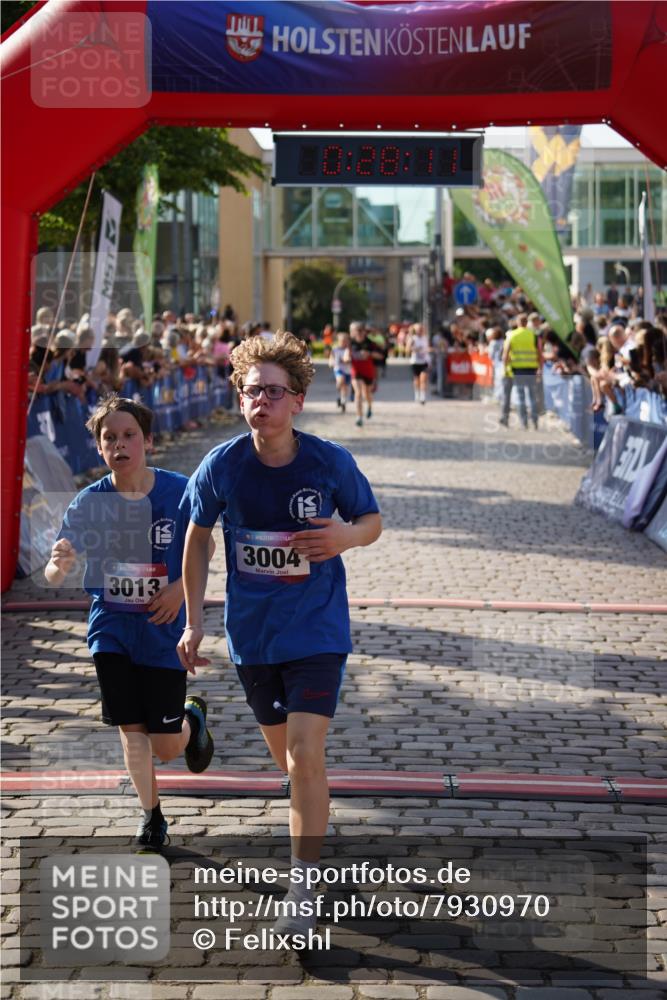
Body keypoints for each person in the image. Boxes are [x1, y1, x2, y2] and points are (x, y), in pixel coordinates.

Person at [178, 331, 382, 935]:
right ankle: (311, 817)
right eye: (251, 391)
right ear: (240, 398)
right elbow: (196, 540)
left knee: (304, 754)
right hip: (253, 637)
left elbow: (370, 520)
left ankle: (303, 887)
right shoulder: (221, 465)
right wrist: (193, 620)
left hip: (318, 630)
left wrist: (345, 536)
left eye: (272, 391)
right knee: (292, 764)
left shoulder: (328, 461)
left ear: (297, 400)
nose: (260, 401)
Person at [44, 395, 215, 849]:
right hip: (112, 629)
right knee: (130, 729)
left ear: (148, 441)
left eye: (129, 435)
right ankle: (151, 815)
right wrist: (59, 564)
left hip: (163, 629)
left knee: (166, 746)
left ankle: (191, 719)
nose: (119, 444)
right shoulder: (88, 502)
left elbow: (206, 547)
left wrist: (179, 589)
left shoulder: (180, 491)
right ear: (100, 448)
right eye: (110, 438)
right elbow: (54, 572)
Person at [500, 313, 543, 429]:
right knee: (533, 396)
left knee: (521, 396)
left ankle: (524, 422)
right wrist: (540, 369)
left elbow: (505, 355)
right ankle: (535, 421)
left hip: (518, 370)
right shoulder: (534, 335)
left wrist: (505, 369)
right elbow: (540, 354)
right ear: (527, 323)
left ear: (517, 323)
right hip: (531, 370)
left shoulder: (512, 335)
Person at [348, 321, 383, 427]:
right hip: (356, 371)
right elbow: (345, 353)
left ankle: (369, 406)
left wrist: (369, 353)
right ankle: (359, 417)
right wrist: (346, 357)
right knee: (358, 393)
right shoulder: (350, 343)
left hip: (368, 372)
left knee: (367, 394)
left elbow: (381, 356)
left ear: (364, 331)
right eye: (356, 331)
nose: (358, 333)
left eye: (360, 331)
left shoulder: (370, 343)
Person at [406, 322, 430, 404]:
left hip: (424, 361)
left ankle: (423, 397)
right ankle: (417, 394)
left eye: (421, 329)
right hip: (415, 362)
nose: (420, 331)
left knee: (423, 379)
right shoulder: (413, 338)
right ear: (415, 330)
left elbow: (427, 348)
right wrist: (415, 349)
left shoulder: (425, 338)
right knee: (416, 379)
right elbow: (407, 350)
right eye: (418, 329)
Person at [328, 331, 352, 412]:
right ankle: (341, 395)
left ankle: (342, 400)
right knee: (340, 382)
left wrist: (348, 360)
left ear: (348, 341)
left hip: (348, 371)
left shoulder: (349, 350)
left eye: (345, 341)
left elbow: (349, 359)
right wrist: (331, 362)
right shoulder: (335, 349)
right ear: (338, 341)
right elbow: (331, 358)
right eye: (342, 341)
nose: (343, 343)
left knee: (345, 388)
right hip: (339, 369)